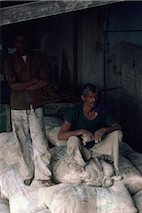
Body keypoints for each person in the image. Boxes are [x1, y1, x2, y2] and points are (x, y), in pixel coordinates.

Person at [4, 32, 52, 186]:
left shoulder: (38, 57)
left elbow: (44, 81)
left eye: (24, 41)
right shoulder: (9, 60)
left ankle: (44, 175)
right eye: (18, 41)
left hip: (35, 104)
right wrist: (32, 82)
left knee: (41, 141)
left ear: (28, 42)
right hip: (18, 106)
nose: (21, 44)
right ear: (14, 43)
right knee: (21, 141)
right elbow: (13, 85)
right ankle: (27, 173)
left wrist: (22, 86)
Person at [57, 84, 122, 175]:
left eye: (95, 97)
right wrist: (81, 131)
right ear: (83, 98)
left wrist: (103, 130)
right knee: (73, 139)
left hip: (97, 147)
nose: (94, 100)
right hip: (82, 148)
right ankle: (79, 167)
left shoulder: (101, 110)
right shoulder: (75, 112)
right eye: (91, 97)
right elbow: (60, 135)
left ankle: (116, 168)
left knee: (117, 134)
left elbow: (117, 126)